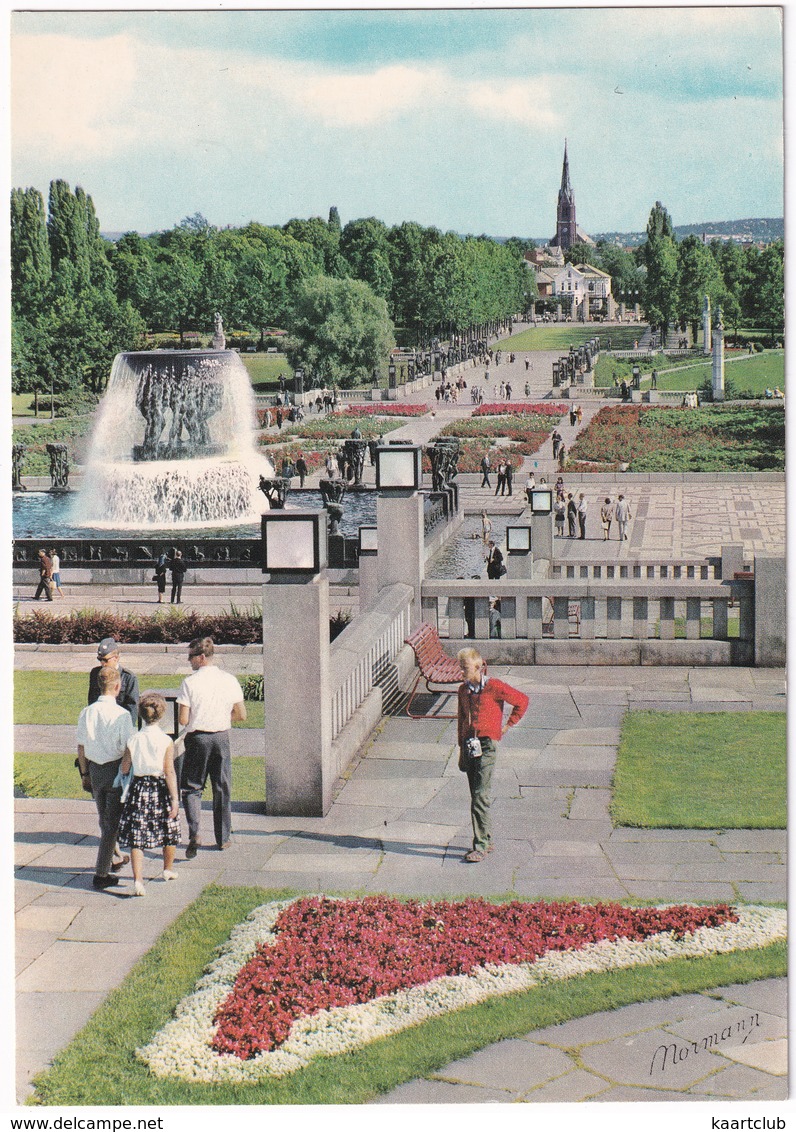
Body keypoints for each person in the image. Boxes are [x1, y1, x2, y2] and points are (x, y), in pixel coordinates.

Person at [456, 649, 528, 863]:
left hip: (487, 745)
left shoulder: (494, 687)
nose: (460, 671)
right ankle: (486, 837)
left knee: (480, 796)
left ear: (478, 667)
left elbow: (522, 701)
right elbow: (461, 719)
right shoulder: (462, 690)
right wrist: (461, 747)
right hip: (470, 745)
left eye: (464, 667)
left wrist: (507, 726)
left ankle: (480, 846)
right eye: (459, 666)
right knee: (476, 795)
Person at [178, 637, 246, 856]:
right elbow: (241, 714)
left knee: (191, 788)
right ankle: (223, 837)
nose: (189, 661)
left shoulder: (190, 682)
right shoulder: (229, 679)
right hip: (221, 737)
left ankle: (195, 832)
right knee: (222, 787)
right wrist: (221, 717)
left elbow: (182, 719)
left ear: (201, 657)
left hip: (197, 738)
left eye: (191, 657)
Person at [76, 667, 136, 889]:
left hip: (94, 770)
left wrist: (84, 774)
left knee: (105, 820)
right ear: (118, 687)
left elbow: (81, 747)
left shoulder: (87, 712)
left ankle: (112, 857)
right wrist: (125, 772)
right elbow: (129, 747)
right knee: (111, 825)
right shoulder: (122, 715)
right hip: (114, 769)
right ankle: (101, 874)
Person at [117, 693, 181, 897]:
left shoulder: (133, 739)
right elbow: (169, 771)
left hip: (139, 789)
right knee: (169, 828)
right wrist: (175, 799)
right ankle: (168, 869)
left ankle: (138, 881)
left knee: (138, 836)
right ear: (161, 715)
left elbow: (125, 768)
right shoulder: (165, 740)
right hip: (160, 788)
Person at [88, 637, 140, 726]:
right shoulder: (95, 673)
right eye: (100, 659)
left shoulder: (128, 677)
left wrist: (127, 728)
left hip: (119, 724)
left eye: (105, 660)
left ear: (116, 658)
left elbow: (132, 707)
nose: (102, 663)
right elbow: (91, 700)